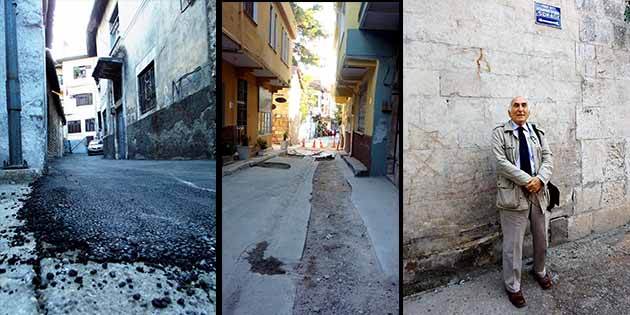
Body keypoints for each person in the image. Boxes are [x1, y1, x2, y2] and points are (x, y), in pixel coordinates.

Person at [491, 96, 554, 308]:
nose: (520, 109)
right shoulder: (499, 133)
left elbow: (548, 158)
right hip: (513, 194)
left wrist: (540, 179)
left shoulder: (537, 132)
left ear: (529, 110)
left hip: (538, 192)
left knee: (541, 238)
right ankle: (513, 285)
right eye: (516, 106)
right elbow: (501, 163)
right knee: (513, 244)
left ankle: (539, 270)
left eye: (524, 105)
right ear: (509, 111)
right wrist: (528, 180)